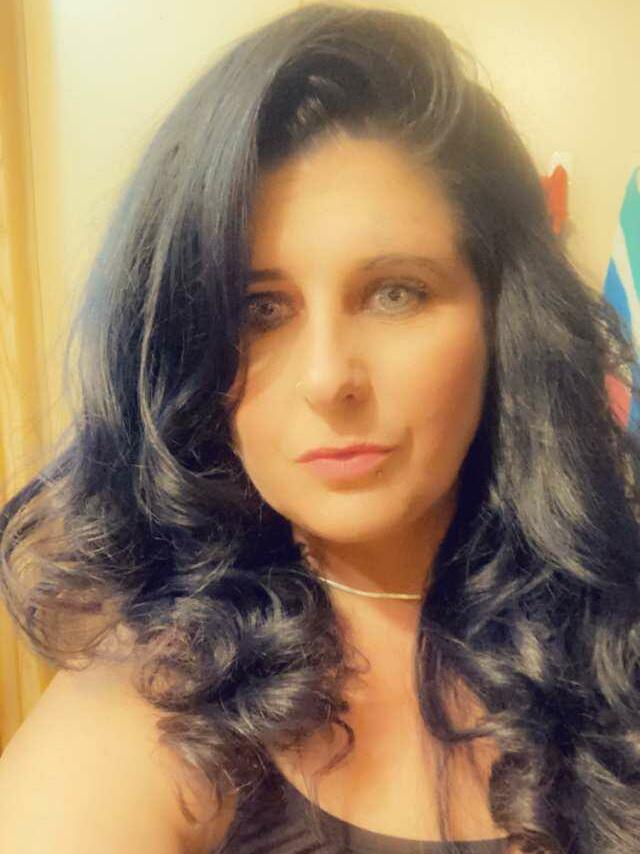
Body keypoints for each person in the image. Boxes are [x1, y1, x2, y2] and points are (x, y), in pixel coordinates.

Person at [1, 4, 639, 853]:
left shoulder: (610, 639)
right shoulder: (135, 725)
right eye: (260, 310)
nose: (329, 378)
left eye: (395, 293)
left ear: (500, 322)